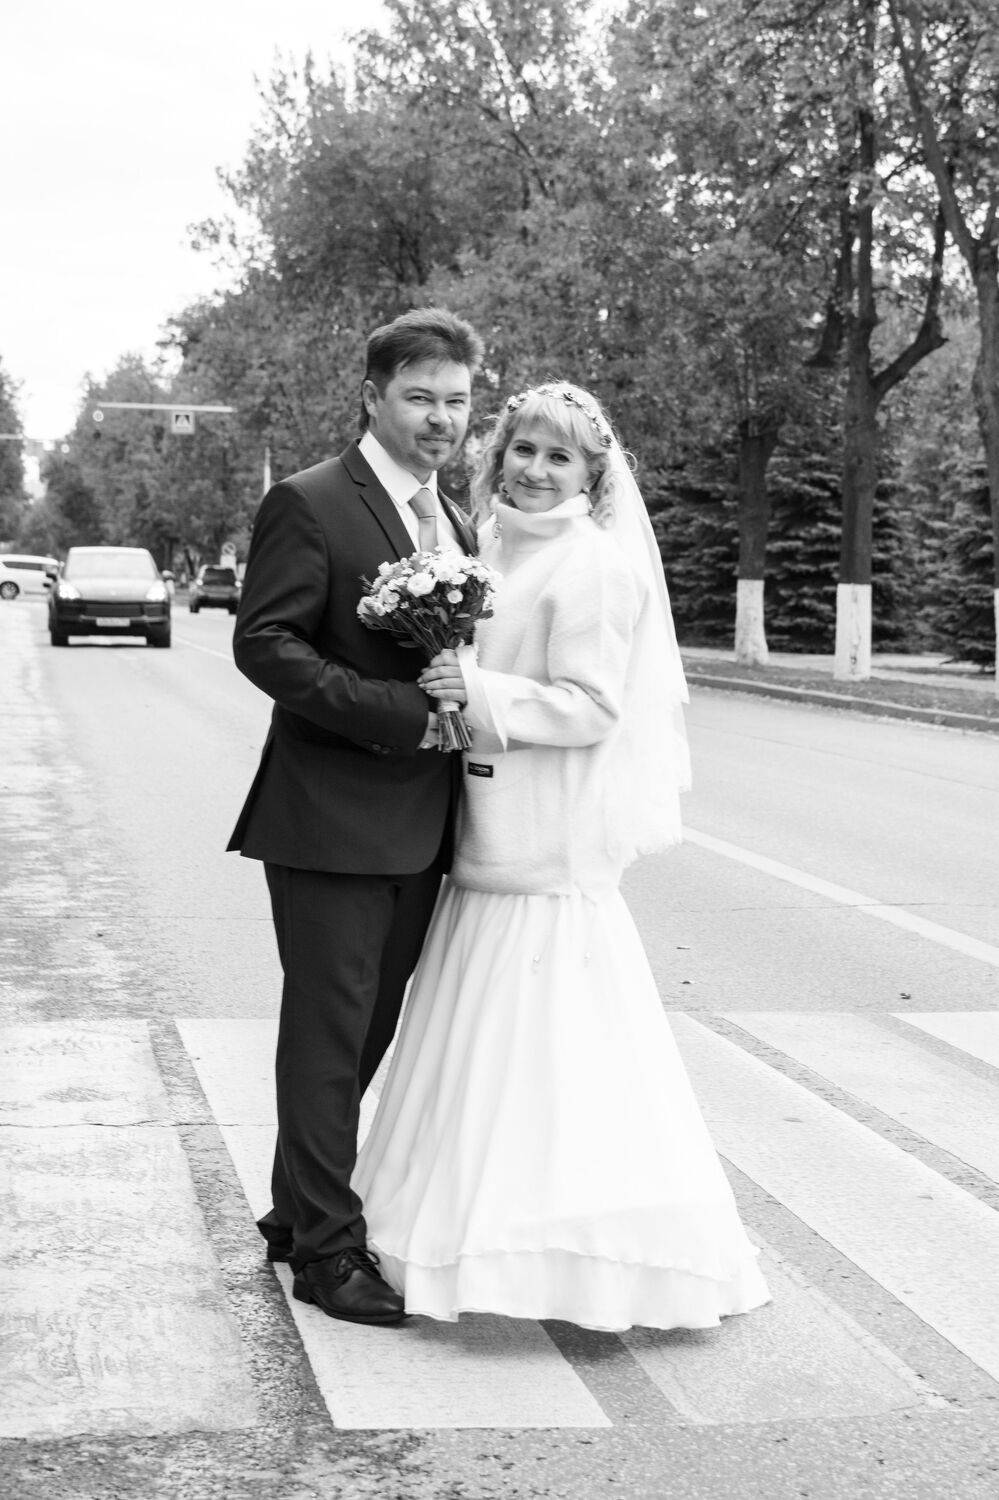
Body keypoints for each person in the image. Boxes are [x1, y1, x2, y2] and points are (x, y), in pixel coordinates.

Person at [352, 381, 771, 1331]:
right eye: (523, 450)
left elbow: (591, 708)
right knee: (472, 1070)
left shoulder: (593, 568)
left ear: (592, 474)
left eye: (558, 457)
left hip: (544, 859)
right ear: (497, 454)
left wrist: (475, 690)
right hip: (481, 850)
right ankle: (440, 1228)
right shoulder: (484, 550)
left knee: (552, 1071)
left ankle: (562, 1261)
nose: (535, 471)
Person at [228, 307, 484, 1326]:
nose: (440, 419)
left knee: (365, 1035)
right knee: (328, 1038)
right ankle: (328, 1257)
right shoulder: (310, 501)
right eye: (420, 398)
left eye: (456, 401)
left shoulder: (451, 519)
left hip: (423, 827)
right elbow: (267, 644)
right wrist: (399, 715)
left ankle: (296, 1211)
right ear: (373, 397)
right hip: (329, 818)